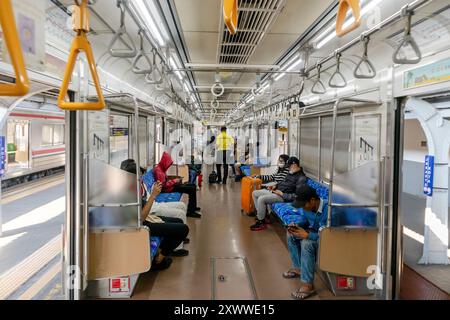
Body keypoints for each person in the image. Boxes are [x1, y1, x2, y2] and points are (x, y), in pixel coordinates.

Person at [121, 161, 190, 271]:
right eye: (139, 176)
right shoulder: (128, 193)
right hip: (143, 225)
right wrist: (153, 195)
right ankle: (160, 257)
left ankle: (161, 251)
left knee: (179, 221)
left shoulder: (132, 187)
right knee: (183, 229)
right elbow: (140, 219)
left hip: (147, 218)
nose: (141, 178)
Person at [284, 184, 328, 300]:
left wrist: (307, 235)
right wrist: (295, 226)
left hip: (328, 240)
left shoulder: (329, 210)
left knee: (307, 243)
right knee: (291, 235)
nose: (302, 208)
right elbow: (305, 221)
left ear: (313, 200)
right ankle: (298, 268)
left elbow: (329, 237)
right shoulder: (307, 209)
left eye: (303, 205)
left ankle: (308, 285)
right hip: (315, 233)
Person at [121, 159, 188, 224]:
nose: (141, 178)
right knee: (180, 214)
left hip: (154, 204)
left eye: (141, 175)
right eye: (140, 175)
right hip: (150, 209)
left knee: (182, 205)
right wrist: (155, 192)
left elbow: (149, 194)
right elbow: (143, 209)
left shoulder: (141, 182)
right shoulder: (131, 190)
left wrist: (155, 188)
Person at [249, 157, 307, 231]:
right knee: (255, 193)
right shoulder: (291, 173)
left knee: (261, 199)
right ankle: (263, 215)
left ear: (294, 165)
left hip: (283, 197)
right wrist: (275, 186)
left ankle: (261, 222)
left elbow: (298, 196)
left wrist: (282, 194)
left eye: (289, 166)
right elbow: (282, 182)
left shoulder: (301, 178)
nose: (288, 168)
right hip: (277, 191)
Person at [153, 152, 201, 218]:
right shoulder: (158, 171)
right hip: (168, 189)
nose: (168, 166)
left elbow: (165, 181)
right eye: (168, 163)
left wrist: (173, 181)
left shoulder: (161, 168)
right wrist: (175, 181)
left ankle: (193, 207)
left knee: (193, 186)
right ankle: (191, 212)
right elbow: (164, 185)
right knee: (191, 189)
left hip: (170, 186)